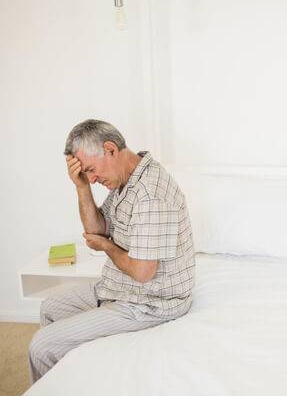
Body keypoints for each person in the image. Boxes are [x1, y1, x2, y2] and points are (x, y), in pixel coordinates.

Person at [29, 119, 196, 382]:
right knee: (50, 307)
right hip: (119, 288)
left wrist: (106, 245)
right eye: (87, 173)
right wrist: (81, 186)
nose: (93, 178)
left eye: (92, 170)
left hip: (150, 302)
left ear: (110, 149)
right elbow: (96, 229)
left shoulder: (150, 196)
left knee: (42, 346)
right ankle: (65, 382)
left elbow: (142, 273)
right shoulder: (124, 181)